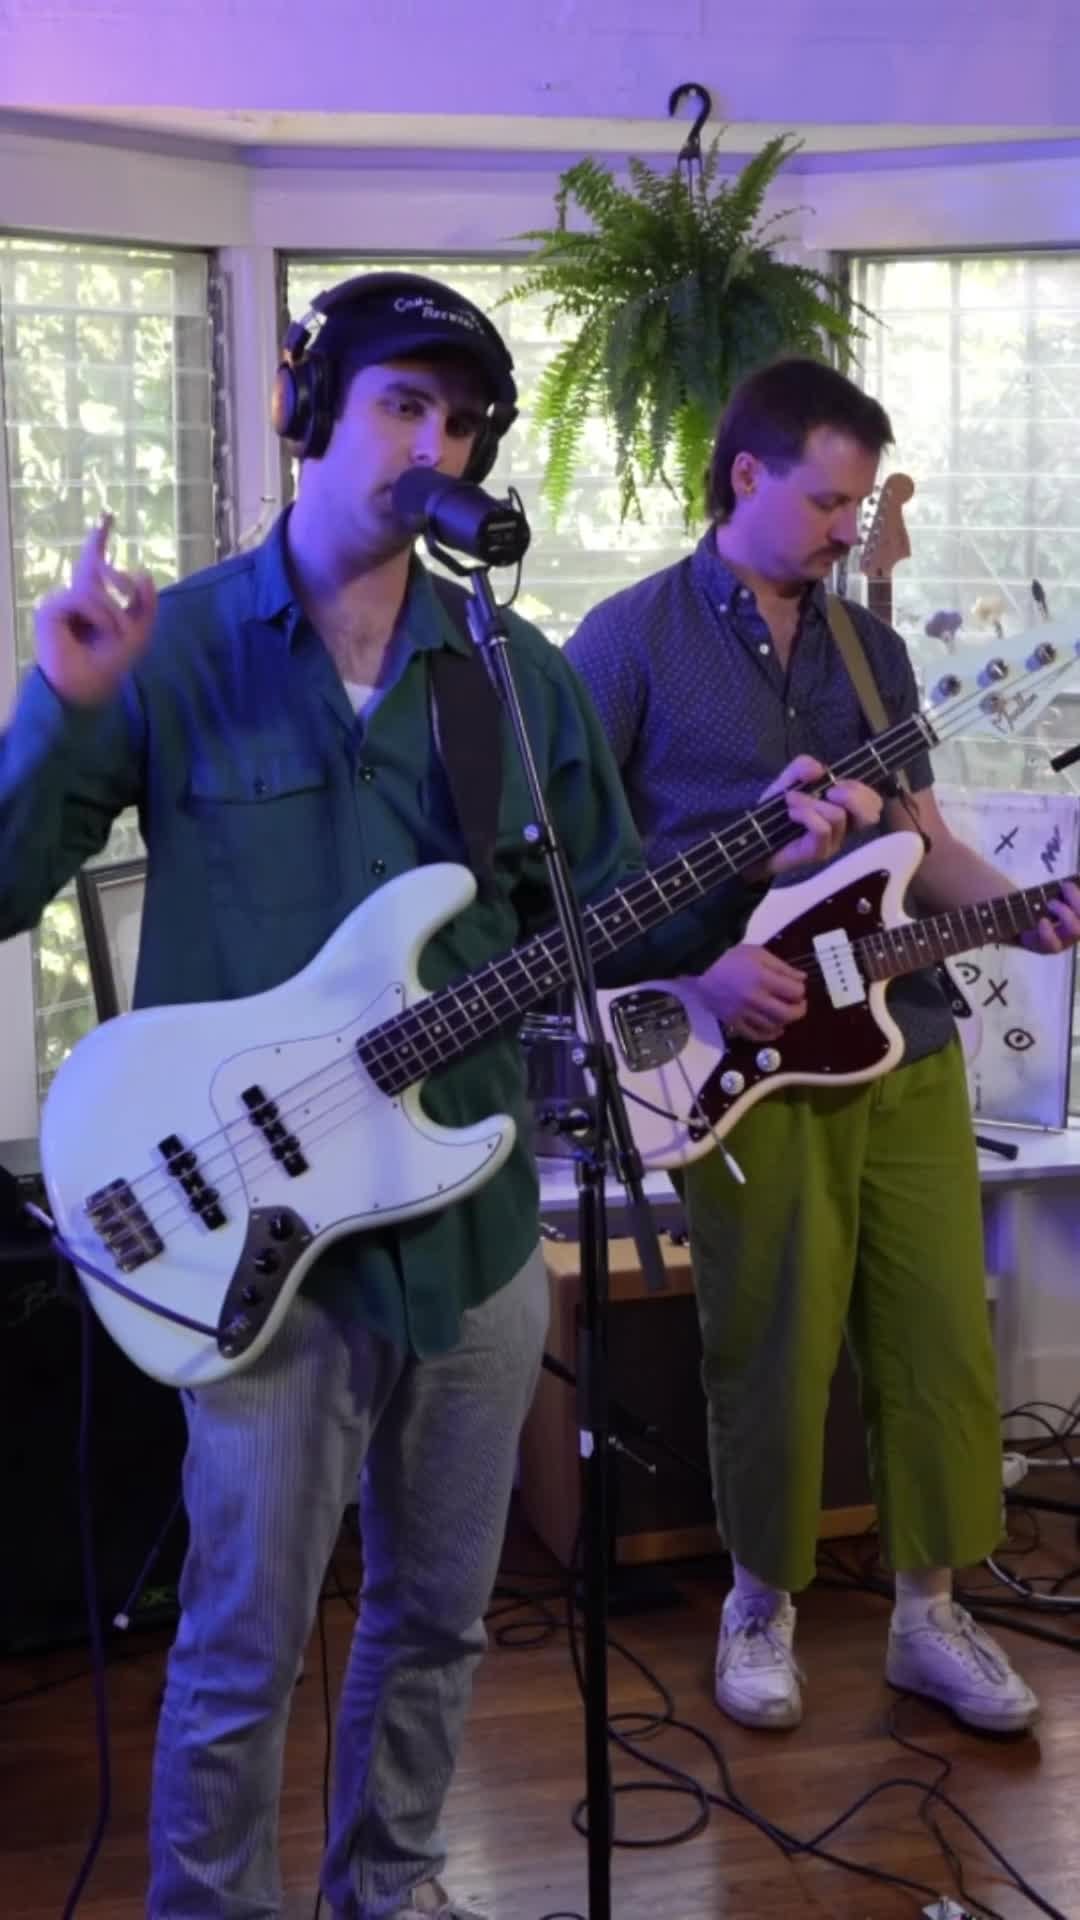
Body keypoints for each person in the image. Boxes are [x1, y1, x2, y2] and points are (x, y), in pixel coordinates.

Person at [0, 282, 880, 1920]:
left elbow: (608, 914)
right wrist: (64, 709)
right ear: (310, 413)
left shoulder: (505, 675)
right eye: (403, 404)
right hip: (261, 1254)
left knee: (435, 1626)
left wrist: (753, 852)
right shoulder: (174, 646)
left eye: (462, 421)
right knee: (244, 1644)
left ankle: (391, 1890)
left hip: (466, 1238)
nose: (435, 445)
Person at [567, 355, 1080, 1738]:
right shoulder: (624, 644)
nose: (851, 530)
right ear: (746, 476)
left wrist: (1024, 912)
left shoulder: (870, 650)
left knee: (938, 1339)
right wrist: (701, 973)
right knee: (772, 1346)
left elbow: (923, 837)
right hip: (747, 1058)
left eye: (859, 506)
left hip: (908, 1038)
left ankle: (930, 1614)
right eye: (829, 502)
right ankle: (760, 1604)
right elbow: (559, 882)